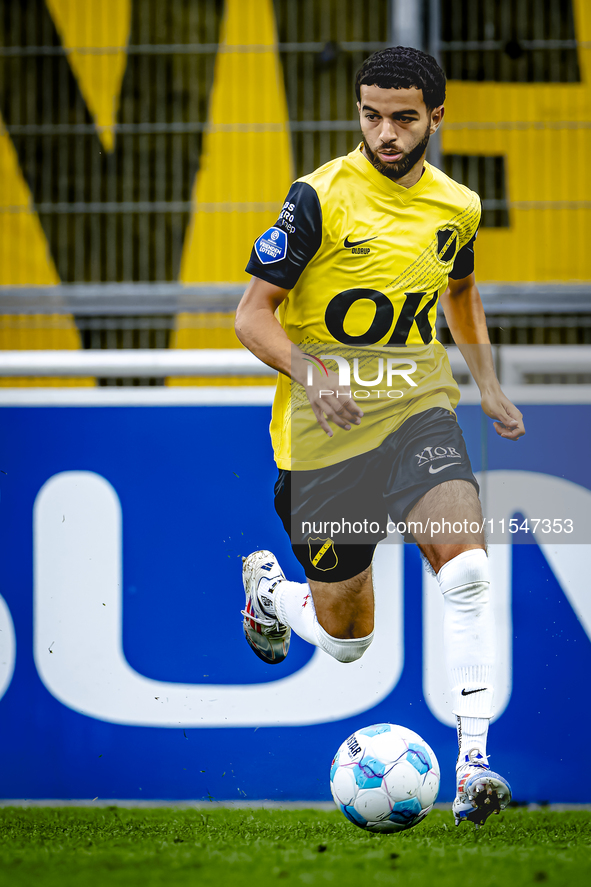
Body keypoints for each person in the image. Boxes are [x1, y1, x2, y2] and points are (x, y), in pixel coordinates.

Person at [235, 45, 525, 828]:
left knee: (466, 572)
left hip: (417, 409)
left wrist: (486, 382)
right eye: (370, 116)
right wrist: (309, 371)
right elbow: (250, 314)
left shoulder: (456, 206)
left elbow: (459, 289)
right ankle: (268, 592)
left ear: (436, 115)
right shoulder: (319, 197)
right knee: (346, 641)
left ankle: (472, 769)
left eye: (401, 117)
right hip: (323, 438)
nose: (384, 133)